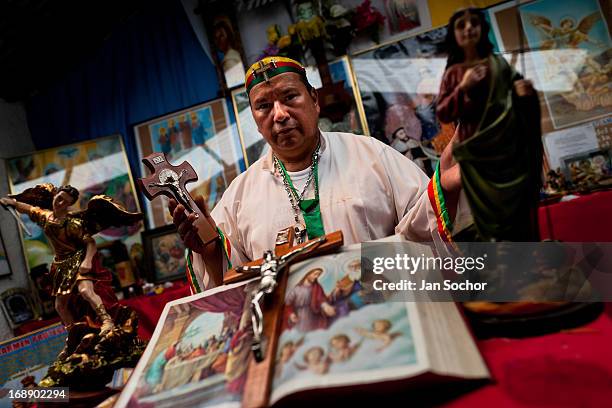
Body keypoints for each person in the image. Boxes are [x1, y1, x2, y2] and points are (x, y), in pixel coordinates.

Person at [170, 56, 464, 292]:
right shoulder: (239, 197)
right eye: (263, 106)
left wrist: (445, 189)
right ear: (256, 123)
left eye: (289, 97)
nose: (280, 114)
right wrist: (210, 254)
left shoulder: (373, 156)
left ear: (314, 100)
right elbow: (233, 291)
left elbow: (423, 230)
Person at [436, 7, 543, 242]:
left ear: (482, 29)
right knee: (491, 216)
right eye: (460, 26)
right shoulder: (454, 73)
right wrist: (463, 86)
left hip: (508, 151)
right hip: (477, 157)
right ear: (454, 35)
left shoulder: (499, 64)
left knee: (518, 209)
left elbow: (520, 100)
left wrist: (525, 95)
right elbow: (443, 111)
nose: (468, 29)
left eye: (473, 23)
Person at [0, 184, 142, 336]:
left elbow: (90, 243)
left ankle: (107, 321)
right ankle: (73, 332)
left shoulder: (73, 224)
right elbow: (28, 208)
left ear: (68, 205)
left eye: (64, 202)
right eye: (58, 198)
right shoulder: (45, 216)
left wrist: (87, 262)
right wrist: (13, 203)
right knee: (60, 305)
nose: (59, 202)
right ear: (55, 196)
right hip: (61, 265)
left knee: (85, 291)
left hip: (77, 259)